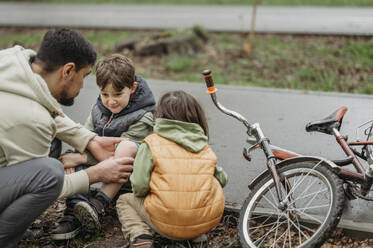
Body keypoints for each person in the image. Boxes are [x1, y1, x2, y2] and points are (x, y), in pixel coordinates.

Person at [0, 28, 133, 248]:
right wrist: (95, 174)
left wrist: (90, 140)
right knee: (50, 172)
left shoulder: (13, 60)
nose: (82, 86)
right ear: (68, 70)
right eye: (84, 77)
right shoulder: (32, 119)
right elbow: (48, 186)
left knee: (50, 148)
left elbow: (44, 113)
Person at [51, 54, 156, 240]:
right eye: (104, 94)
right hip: (105, 167)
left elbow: (120, 154)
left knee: (126, 147)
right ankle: (75, 211)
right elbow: (85, 137)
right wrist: (79, 156)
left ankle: (99, 204)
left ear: (132, 88)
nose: (111, 101)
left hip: (131, 173)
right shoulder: (98, 109)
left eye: (117, 94)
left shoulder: (143, 116)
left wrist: (84, 158)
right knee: (72, 156)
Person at [116, 90, 228, 248]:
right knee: (210, 181)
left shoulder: (151, 143)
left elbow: (139, 186)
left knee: (124, 201)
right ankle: (195, 236)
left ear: (160, 115)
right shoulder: (203, 146)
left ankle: (140, 237)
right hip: (203, 223)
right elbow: (223, 180)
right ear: (196, 116)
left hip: (165, 222)